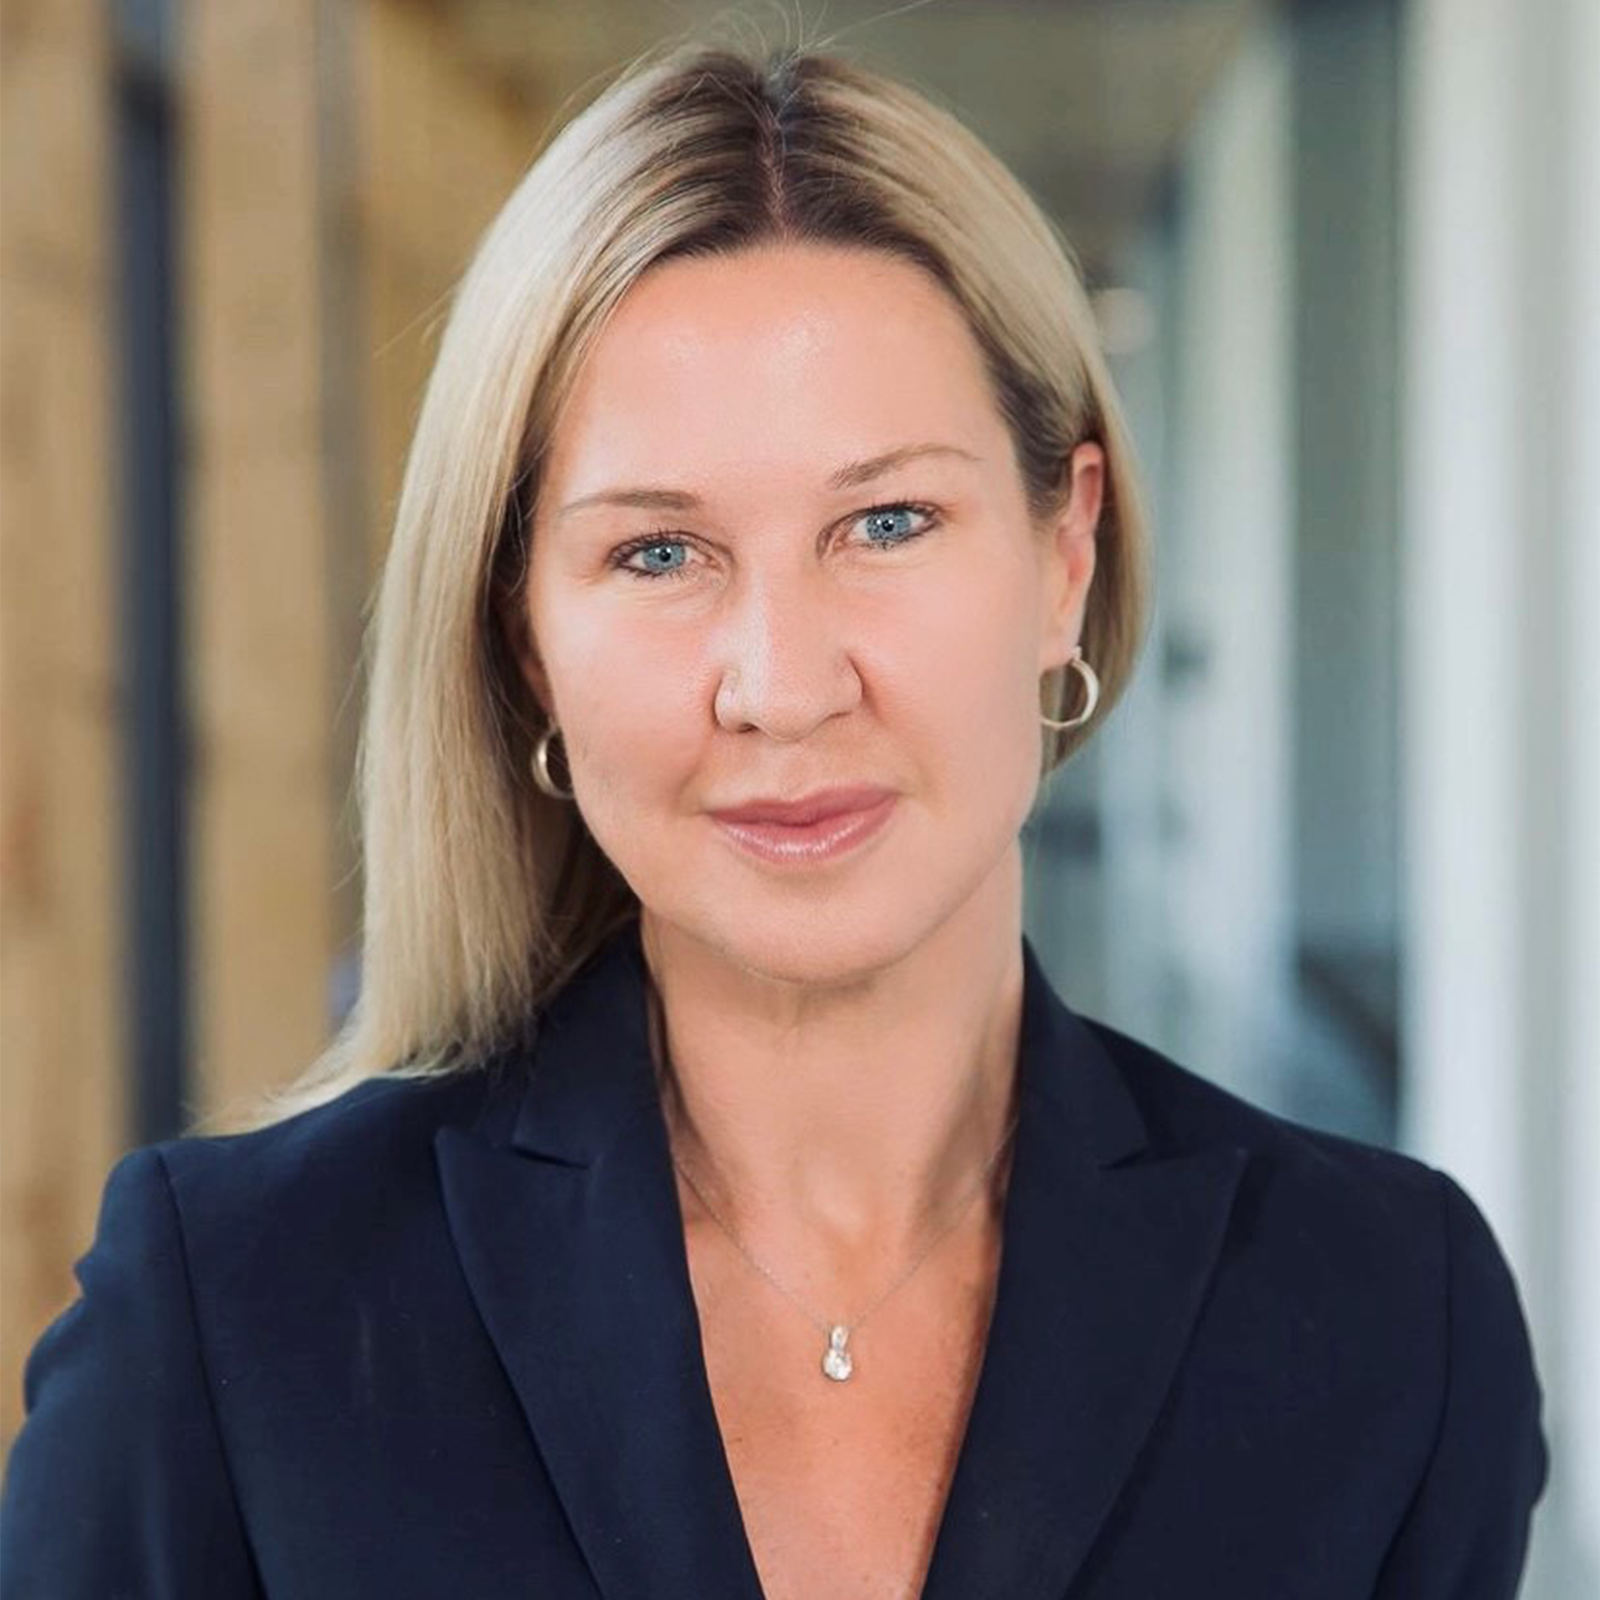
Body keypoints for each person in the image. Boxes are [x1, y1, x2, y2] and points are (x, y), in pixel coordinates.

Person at [0, 35, 1549, 1600]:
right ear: (525, 632)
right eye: (659, 554)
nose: (784, 686)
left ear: (1063, 556)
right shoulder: (231, 1319)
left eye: (886, 522)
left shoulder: (1384, 1320)